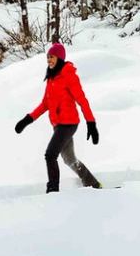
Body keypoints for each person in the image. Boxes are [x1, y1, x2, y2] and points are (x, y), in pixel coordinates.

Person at [13, 42, 102, 192]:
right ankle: (93, 184)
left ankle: (53, 190)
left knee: (50, 155)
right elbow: (45, 104)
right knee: (69, 159)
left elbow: (82, 100)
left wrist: (91, 123)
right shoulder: (51, 78)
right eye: (48, 57)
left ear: (60, 57)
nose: (49, 60)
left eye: (52, 57)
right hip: (58, 125)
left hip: (68, 124)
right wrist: (27, 119)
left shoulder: (68, 75)